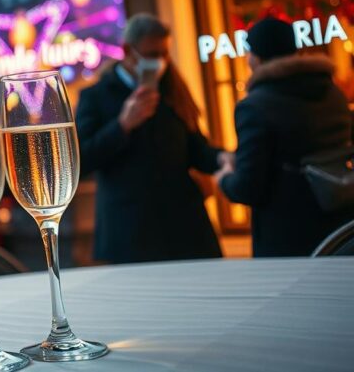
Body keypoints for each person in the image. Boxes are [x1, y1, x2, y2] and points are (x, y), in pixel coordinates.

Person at [76, 14, 226, 264]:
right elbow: (82, 161)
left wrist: (223, 157)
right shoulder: (97, 96)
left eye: (164, 54)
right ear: (127, 51)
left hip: (185, 226)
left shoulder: (172, 89)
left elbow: (196, 150)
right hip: (130, 231)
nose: (160, 61)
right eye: (152, 54)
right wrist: (122, 125)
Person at [218, 17, 353, 256]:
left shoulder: (255, 106)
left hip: (287, 236)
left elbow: (248, 187)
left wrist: (225, 177)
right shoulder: (333, 93)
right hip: (341, 226)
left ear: (256, 58)